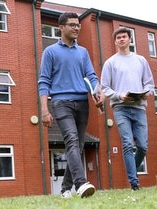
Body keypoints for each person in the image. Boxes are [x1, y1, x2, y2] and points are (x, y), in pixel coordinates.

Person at [38, 12, 104, 198]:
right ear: (61, 28)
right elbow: (43, 81)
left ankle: (65, 188)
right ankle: (81, 184)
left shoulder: (82, 52)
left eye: (78, 25)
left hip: (82, 103)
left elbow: (91, 76)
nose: (77, 28)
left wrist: (97, 90)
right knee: (72, 141)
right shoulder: (50, 52)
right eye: (72, 25)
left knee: (78, 145)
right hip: (60, 102)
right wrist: (44, 110)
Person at [101, 27, 155, 191]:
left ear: (130, 39)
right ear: (115, 41)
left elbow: (150, 83)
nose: (122, 40)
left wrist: (147, 93)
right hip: (121, 108)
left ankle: (132, 170)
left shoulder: (141, 60)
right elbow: (104, 87)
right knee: (126, 143)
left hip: (139, 107)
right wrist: (119, 95)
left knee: (143, 146)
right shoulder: (110, 62)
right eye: (119, 38)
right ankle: (134, 182)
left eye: (124, 37)